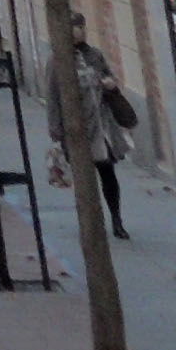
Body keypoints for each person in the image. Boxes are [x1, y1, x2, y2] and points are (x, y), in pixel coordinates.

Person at [50, 13, 136, 237]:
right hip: (75, 127)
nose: (79, 32)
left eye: (81, 28)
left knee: (108, 173)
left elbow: (109, 79)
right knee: (83, 179)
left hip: (101, 125)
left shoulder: (95, 55)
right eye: (75, 28)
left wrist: (110, 84)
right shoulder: (57, 60)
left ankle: (117, 220)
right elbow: (53, 96)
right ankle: (91, 223)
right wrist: (56, 129)